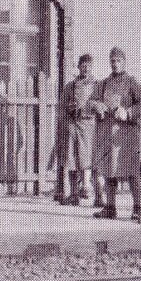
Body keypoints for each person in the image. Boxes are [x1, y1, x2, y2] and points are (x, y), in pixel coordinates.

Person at [90, 47, 141, 221]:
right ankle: (110, 207)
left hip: (126, 136)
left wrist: (129, 112)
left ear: (124, 62)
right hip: (107, 134)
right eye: (112, 61)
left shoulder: (132, 83)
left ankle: (137, 207)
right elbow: (89, 103)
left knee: (132, 172)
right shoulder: (102, 84)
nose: (115, 64)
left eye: (118, 61)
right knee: (109, 171)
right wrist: (97, 106)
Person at [56, 54, 99, 206]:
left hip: (89, 126)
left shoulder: (97, 86)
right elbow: (61, 106)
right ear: (78, 66)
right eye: (83, 65)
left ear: (92, 67)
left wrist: (88, 109)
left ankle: (98, 195)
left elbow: (100, 106)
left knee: (90, 161)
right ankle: (74, 194)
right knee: (71, 160)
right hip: (72, 126)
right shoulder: (70, 86)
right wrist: (68, 110)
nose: (86, 68)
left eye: (89, 65)